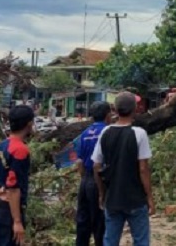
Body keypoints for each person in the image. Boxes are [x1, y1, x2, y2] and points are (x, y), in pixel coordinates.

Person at [92, 92, 154, 246]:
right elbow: (143, 169)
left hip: (113, 198)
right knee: (141, 240)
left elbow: (96, 166)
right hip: (136, 199)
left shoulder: (106, 132)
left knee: (110, 241)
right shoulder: (139, 134)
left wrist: (101, 193)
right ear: (135, 110)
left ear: (114, 110)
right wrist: (150, 197)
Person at [0, 104, 35, 246]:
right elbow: (13, 189)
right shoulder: (20, 150)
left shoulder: (1, 145)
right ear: (29, 124)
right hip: (9, 213)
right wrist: (17, 221)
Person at [75, 101, 113, 246]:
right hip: (99, 180)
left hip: (85, 181)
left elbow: (79, 162)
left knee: (83, 220)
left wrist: (85, 177)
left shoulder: (84, 134)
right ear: (108, 115)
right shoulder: (108, 132)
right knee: (99, 223)